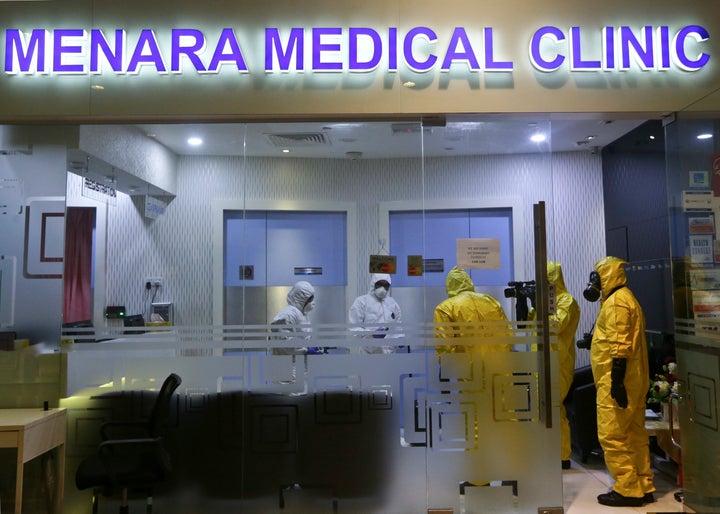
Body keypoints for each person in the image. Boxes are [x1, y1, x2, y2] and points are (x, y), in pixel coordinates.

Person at [583, 256, 655, 507]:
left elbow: (620, 345)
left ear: (607, 275)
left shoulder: (616, 303)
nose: (595, 281)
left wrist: (615, 382)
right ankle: (643, 484)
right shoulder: (626, 298)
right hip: (633, 379)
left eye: (598, 276)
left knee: (612, 434)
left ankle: (627, 488)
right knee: (635, 433)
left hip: (617, 380)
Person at [546, 261, 581, 470]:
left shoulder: (567, 302)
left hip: (559, 362)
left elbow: (555, 326)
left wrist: (541, 304)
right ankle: (549, 452)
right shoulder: (547, 301)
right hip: (543, 361)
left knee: (555, 408)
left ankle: (562, 456)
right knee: (546, 409)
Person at [433, 266, 512, 354]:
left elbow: (445, 346)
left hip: (467, 365)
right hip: (497, 363)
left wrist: (449, 365)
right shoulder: (490, 300)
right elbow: (508, 333)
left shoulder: (445, 308)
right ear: (469, 281)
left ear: (449, 285)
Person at [348, 273, 402, 353]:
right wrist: (372, 334)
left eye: (386, 285)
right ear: (373, 284)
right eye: (379, 284)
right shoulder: (361, 302)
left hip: (389, 354)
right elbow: (354, 328)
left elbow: (398, 326)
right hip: (368, 354)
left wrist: (399, 338)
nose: (382, 288)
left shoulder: (392, 303)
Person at [269, 280, 322, 355]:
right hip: (286, 364)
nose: (311, 303)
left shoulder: (302, 314)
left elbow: (304, 336)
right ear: (301, 299)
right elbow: (285, 341)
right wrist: (306, 350)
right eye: (309, 300)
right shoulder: (288, 314)